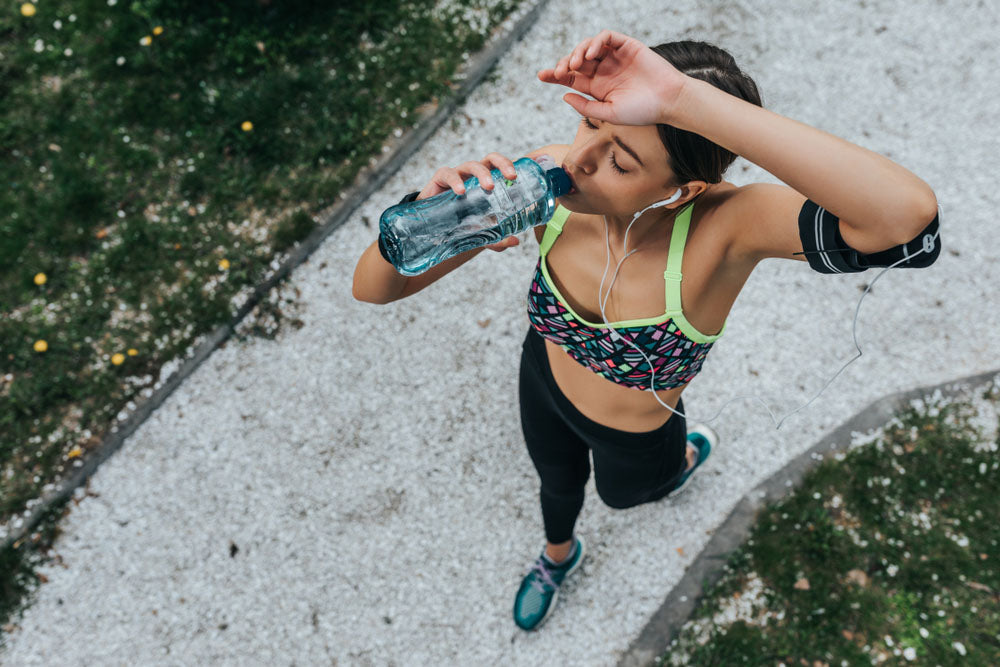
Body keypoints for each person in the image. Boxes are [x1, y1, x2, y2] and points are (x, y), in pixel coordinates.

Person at [351, 30, 940, 632]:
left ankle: (681, 457)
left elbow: (905, 221)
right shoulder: (547, 188)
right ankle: (559, 556)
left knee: (624, 497)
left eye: (621, 159)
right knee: (556, 486)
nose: (578, 161)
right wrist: (427, 217)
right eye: (590, 128)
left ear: (682, 189)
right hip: (543, 382)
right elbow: (374, 288)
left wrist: (685, 102)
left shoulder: (726, 229)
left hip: (633, 431)